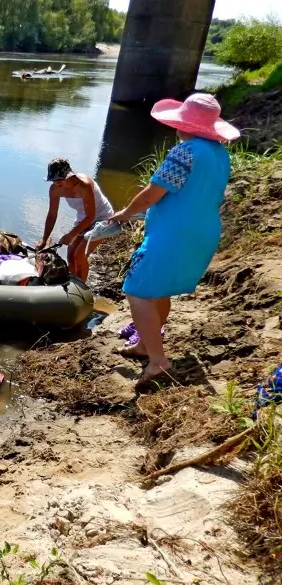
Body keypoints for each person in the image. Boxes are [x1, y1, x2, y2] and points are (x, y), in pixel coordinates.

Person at [110, 93, 239, 390]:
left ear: (185, 125)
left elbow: (152, 193)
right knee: (158, 290)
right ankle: (144, 345)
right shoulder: (220, 153)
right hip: (204, 230)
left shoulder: (186, 151)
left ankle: (158, 362)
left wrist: (126, 213)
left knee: (136, 290)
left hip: (175, 234)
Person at [37, 158, 114, 281]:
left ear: (69, 175)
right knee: (70, 254)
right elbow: (52, 214)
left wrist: (70, 235)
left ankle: (82, 287)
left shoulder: (84, 185)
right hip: (83, 217)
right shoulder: (55, 189)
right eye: (53, 179)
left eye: (60, 179)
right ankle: (74, 282)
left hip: (102, 217)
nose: (56, 182)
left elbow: (91, 216)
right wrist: (44, 239)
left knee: (79, 255)